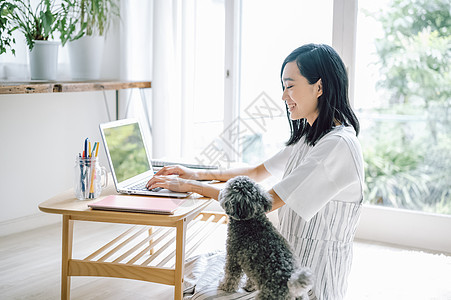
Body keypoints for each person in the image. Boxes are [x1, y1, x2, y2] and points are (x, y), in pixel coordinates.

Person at [146, 43, 364, 300]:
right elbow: (257, 171)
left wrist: (192, 188)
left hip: (311, 280)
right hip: (283, 268)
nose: (284, 97)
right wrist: (195, 174)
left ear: (319, 87)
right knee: (195, 267)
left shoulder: (337, 146)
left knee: (200, 284)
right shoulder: (312, 136)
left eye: (290, 86)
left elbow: (263, 203)